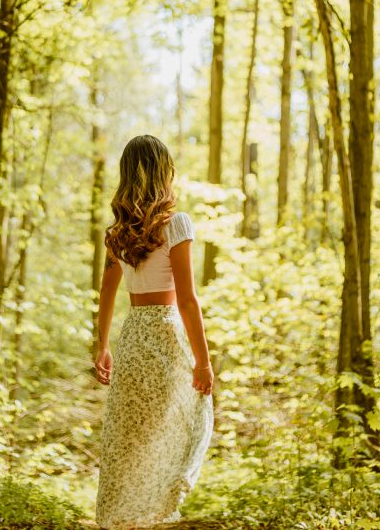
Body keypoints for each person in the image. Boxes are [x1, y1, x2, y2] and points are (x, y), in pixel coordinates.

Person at [93, 134, 214, 529]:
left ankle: (122, 519)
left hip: (132, 338)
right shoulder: (175, 225)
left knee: (129, 436)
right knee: (188, 420)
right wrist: (203, 361)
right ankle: (155, 512)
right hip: (164, 335)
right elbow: (187, 300)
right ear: (164, 172)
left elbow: (107, 290)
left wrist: (103, 346)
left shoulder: (118, 233)